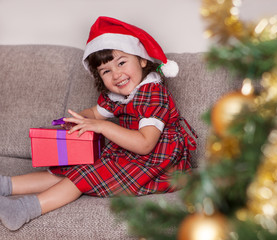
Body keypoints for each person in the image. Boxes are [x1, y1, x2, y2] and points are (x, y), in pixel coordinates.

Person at [0, 16, 197, 231]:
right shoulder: (119, 94)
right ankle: (7, 185)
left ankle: (25, 210)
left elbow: (145, 144)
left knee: (87, 173)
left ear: (141, 60)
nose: (117, 75)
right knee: (73, 164)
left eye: (121, 62)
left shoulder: (153, 95)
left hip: (156, 163)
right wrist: (82, 119)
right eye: (106, 71)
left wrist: (102, 126)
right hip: (128, 151)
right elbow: (95, 113)